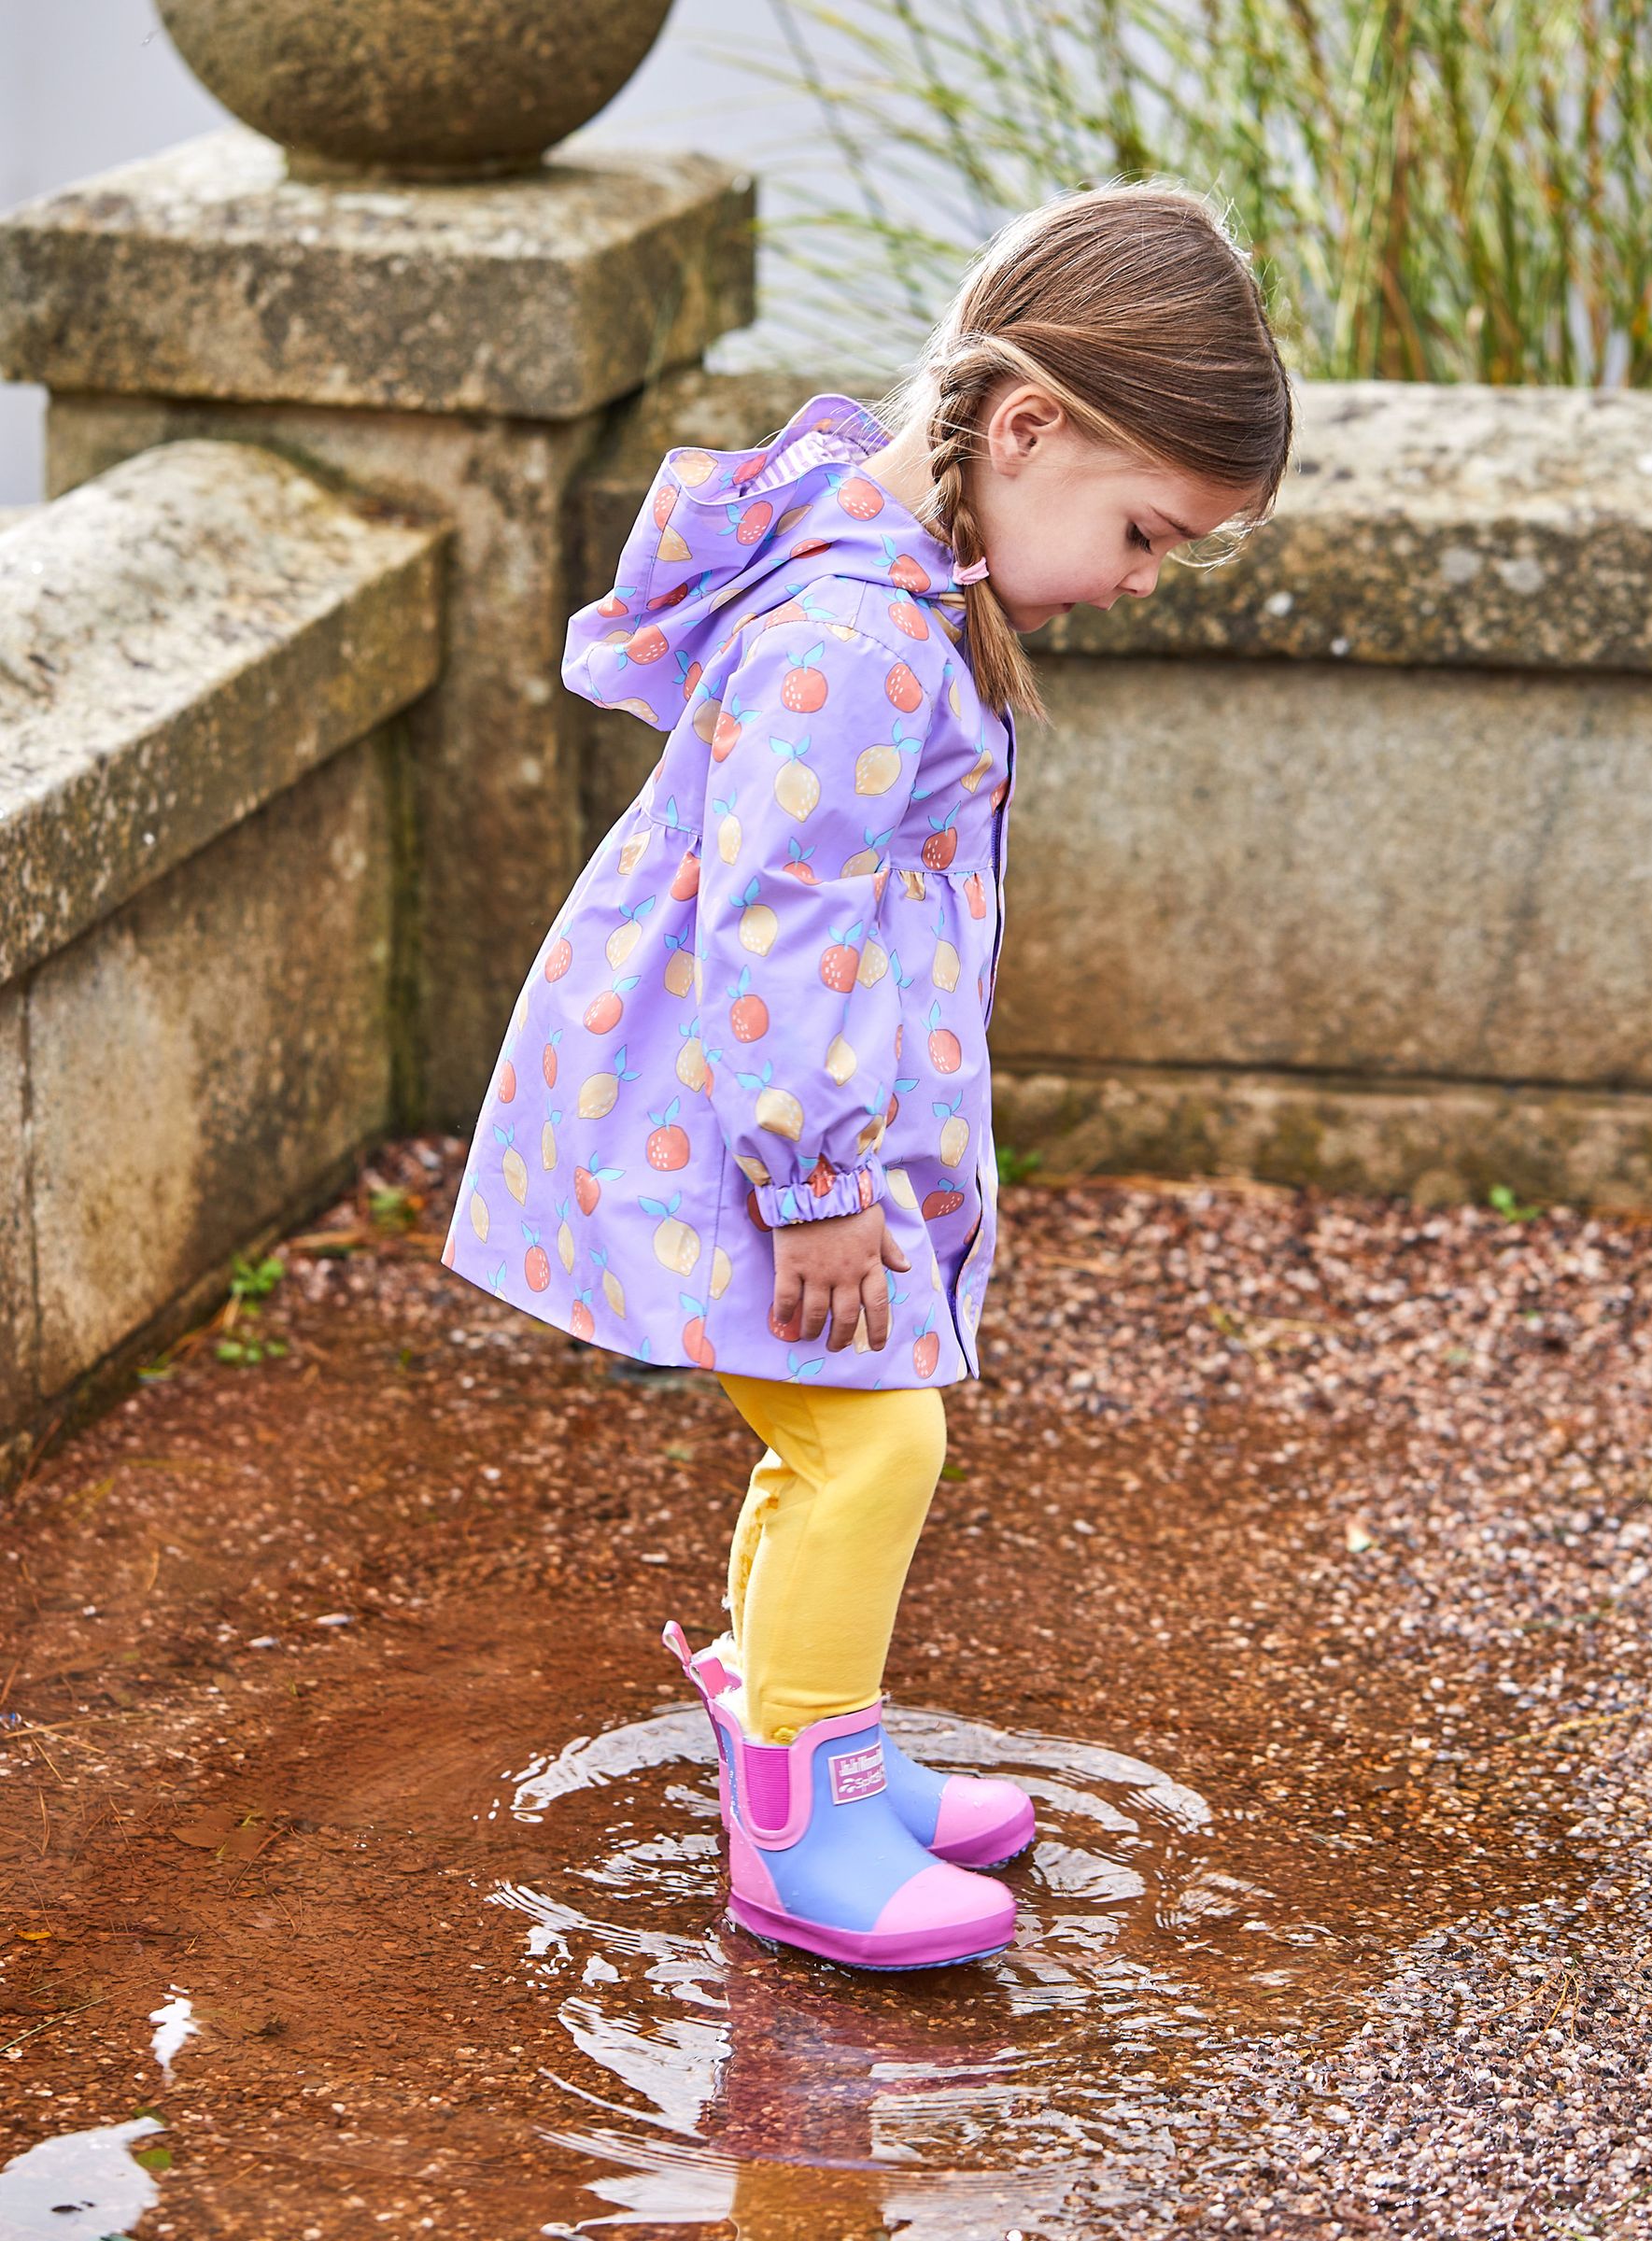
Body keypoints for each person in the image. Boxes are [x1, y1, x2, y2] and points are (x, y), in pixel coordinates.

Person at [442, 177, 1294, 1969]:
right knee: (872, 1443)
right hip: (758, 1133)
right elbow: (778, 926)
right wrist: (822, 1183)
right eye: (1146, 533)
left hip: (776, 1119)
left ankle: (812, 1736)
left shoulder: (915, 589)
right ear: (1028, 428)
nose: (1141, 581)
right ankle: (796, 1829)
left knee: (829, 1424)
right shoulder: (859, 636)